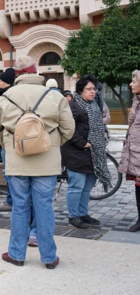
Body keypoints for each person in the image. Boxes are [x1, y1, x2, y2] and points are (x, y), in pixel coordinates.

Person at [0, 56, 75, 270]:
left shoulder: (5, 97)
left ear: (17, 74)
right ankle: (48, 257)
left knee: (19, 206)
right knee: (44, 207)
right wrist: (51, 144)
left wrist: (11, 144)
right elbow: (68, 129)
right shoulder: (54, 96)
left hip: (17, 160)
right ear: (35, 72)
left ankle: (17, 254)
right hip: (47, 161)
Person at [61, 74, 110, 230]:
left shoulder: (94, 105)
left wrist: (103, 135)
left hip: (93, 153)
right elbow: (67, 128)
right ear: (80, 90)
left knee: (87, 187)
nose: (92, 92)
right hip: (76, 153)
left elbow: (100, 125)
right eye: (89, 89)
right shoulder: (73, 105)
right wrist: (81, 143)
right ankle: (73, 216)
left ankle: (83, 213)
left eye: (94, 89)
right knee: (76, 186)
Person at [119, 70, 140, 232]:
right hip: (135, 151)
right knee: (138, 187)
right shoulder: (136, 100)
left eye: (134, 81)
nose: (130, 84)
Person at [0, 67, 16, 212]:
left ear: (8, 83)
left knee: (9, 172)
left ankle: (11, 201)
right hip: (12, 140)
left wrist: (0, 139)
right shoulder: (7, 95)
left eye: (1, 80)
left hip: (8, 141)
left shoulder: (6, 97)